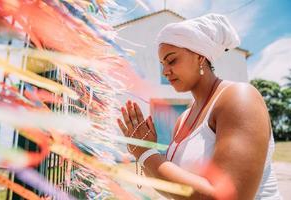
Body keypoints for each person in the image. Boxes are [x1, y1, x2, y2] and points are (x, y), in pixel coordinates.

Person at [117, 13, 281, 200]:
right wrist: (147, 151)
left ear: (200, 57)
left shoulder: (239, 97)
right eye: (162, 64)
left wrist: (146, 154)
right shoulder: (182, 120)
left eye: (171, 60)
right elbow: (174, 187)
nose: (165, 71)